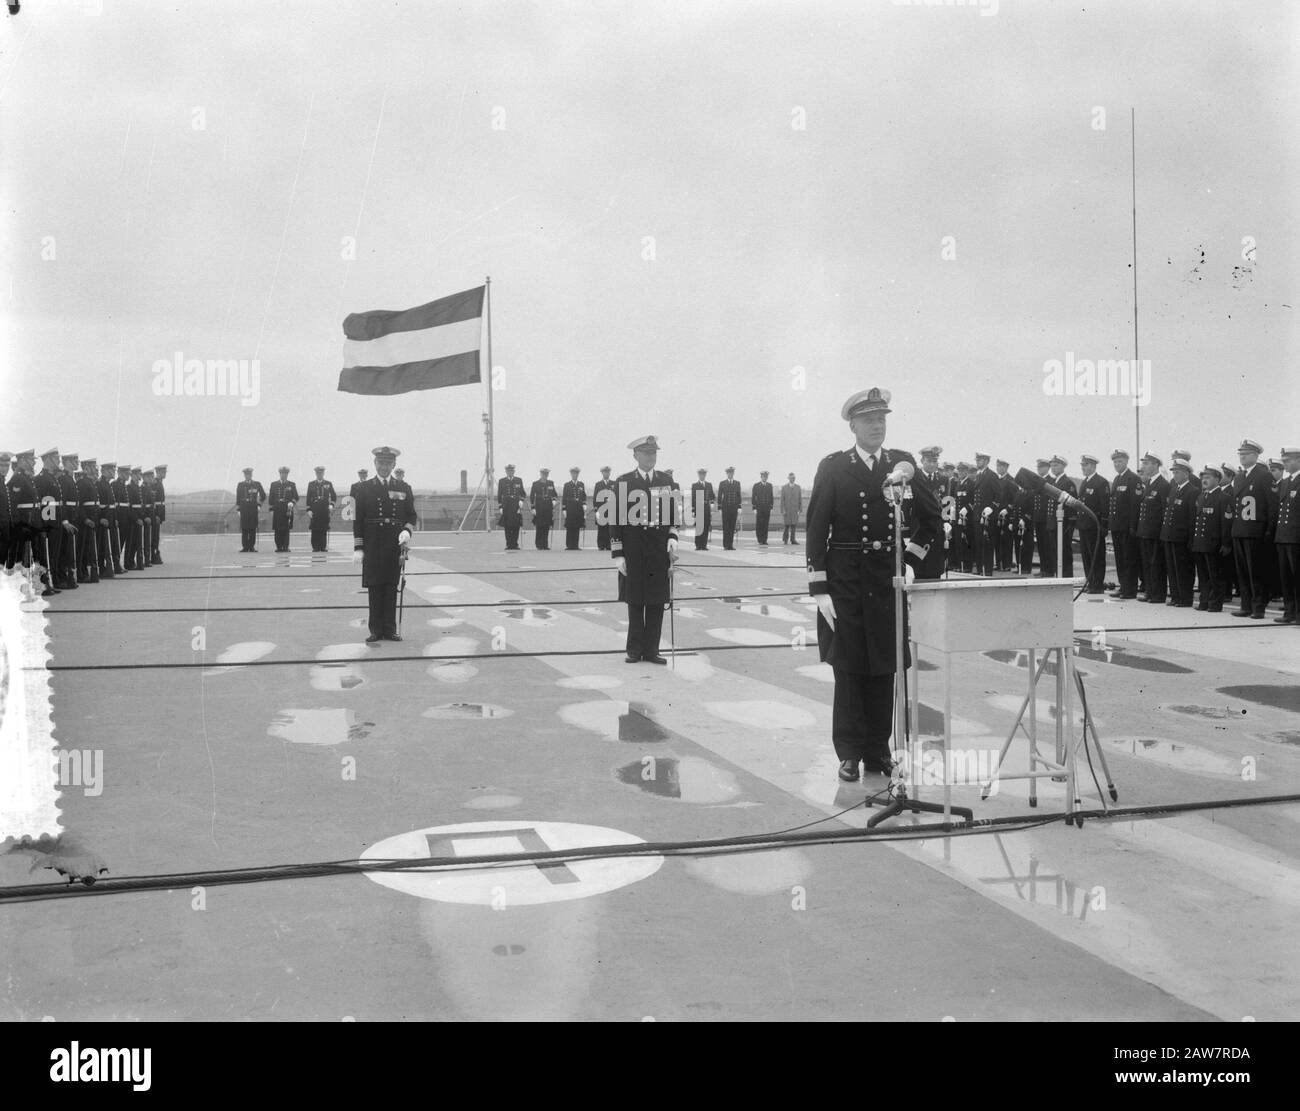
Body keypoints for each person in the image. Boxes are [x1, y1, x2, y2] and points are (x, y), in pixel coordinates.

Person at [807, 387, 940, 782]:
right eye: (869, 420)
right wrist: (819, 588)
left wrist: (913, 560)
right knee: (848, 667)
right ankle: (849, 752)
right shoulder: (833, 466)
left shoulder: (903, 465)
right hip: (845, 578)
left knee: (884, 666)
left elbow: (930, 519)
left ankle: (878, 751)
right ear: (853, 426)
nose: (877, 426)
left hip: (886, 579)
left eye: (882, 419)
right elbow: (817, 528)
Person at [611, 435, 678, 663]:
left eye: (654, 453)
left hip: (658, 553)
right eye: (647, 453)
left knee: (657, 601)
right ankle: (634, 649)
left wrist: (672, 537)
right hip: (634, 552)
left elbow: (673, 517)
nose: (651, 457)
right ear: (635, 456)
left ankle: (651, 651)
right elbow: (616, 521)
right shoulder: (624, 483)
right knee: (636, 601)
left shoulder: (666, 481)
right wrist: (618, 554)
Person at [353, 446, 416, 642]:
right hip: (372, 542)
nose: (384, 467)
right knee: (374, 585)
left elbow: (411, 515)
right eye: (381, 463)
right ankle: (375, 629)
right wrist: (358, 547)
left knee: (391, 585)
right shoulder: (361, 488)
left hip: (394, 543)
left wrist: (407, 530)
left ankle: (390, 629)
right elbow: (357, 519)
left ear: (394, 465)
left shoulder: (404, 487)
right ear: (375, 464)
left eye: (388, 463)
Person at [1230, 438, 1274, 619]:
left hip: (1255, 530)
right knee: (1242, 570)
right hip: (1240, 529)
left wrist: (1269, 530)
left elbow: (1271, 505)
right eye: (1240, 454)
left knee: (1256, 570)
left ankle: (1258, 607)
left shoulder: (1264, 475)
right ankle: (1246, 605)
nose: (1242, 457)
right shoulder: (1239, 477)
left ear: (1256, 456)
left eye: (1246, 454)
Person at [1161, 458, 1197, 606]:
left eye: (1178, 472)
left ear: (1186, 473)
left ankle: (1185, 598)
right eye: (1174, 472)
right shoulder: (1174, 489)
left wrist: (1190, 539)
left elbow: (1191, 518)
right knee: (1172, 568)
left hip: (1182, 536)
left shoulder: (1192, 491)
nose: (1175, 475)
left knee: (1183, 569)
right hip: (1170, 535)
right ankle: (1176, 596)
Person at [1191, 465, 1228, 612]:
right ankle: (1204, 601)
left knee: (1215, 576)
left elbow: (1225, 522)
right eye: (1203, 477)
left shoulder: (1223, 498)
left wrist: (1225, 543)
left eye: (1208, 477)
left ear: (1217, 479)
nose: (1204, 480)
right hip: (1200, 542)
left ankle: (1215, 603)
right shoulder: (1201, 497)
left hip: (1213, 543)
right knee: (1203, 576)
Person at [1106, 450, 1141, 599]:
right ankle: (1123, 586)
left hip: (1127, 527)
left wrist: (1133, 526)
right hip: (1117, 526)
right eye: (1115, 462)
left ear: (1126, 461)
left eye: (1119, 461)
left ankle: (1130, 589)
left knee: (1129, 559)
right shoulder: (1117, 479)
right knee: (1120, 559)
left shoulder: (1133, 479)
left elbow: (1135, 504)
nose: (1117, 464)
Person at [1135, 452, 1168, 602]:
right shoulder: (1148, 484)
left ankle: (1158, 594)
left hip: (1155, 532)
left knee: (1156, 564)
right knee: (1147, 563)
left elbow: (1164, 510)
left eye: (1147, 463)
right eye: (1144, 463)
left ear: (1156, 465)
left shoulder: (1162, 485)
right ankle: (1150, 591)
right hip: (1145, 531)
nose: (1144, 466)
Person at [1076, 454, 1111, 593]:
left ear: (1092, 466)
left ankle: (1097, 584)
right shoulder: (1085, 482)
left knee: (1096, 556)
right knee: (1086, 556)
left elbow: (1104, 506)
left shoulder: (1100, 482)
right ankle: (1090, 582)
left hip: (1094, 526)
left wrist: (1103, 526)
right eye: (1082, 465)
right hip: (1084, 526)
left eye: (1085, 465)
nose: (1083, 468)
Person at [1274, 447, 1299, 624]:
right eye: (1283, 461)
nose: (1285, 464)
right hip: (1283, 536)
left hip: (1296, 536)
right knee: (1286, 577)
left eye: (1288, 460)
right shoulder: (1284, 482)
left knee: (1297, 576)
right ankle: (1289, 612)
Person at [969, 451, 1001, 577]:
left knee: (987, 543)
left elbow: (999, 495)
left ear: (987, 461)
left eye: (980, 460)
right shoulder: (979, 475)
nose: (978, 462)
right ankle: (980, 567)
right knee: (978, 542)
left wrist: (992, 507)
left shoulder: (991, 475)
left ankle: (987, 569)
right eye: (977, 460)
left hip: (987, 516)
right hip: (978, 515)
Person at [1046, 455, 1078, 577]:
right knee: (1055, 552)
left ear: (1063, 466)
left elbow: (1072, 507)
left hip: (1063, 524)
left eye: (1056, 465)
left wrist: (1070, 525)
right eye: (1052, 466)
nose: (1053, 468)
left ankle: (1066, 576)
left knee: (1064, 552)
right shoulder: (1054, 482)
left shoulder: (1067, 483)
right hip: (1054, 523)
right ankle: (1058, 576)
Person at [304, 466, 336, 552]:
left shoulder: (328, 484)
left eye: (321, 473)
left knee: (323, 528)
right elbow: (308, 498)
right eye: (318, 473)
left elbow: (334, 496)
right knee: (315, 528)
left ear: (323, 473)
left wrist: (331, 505)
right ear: (316, 473)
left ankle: (323, 546)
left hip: (324, 509)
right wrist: (309, 510)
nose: (319, 474)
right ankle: (315, 547)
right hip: (314, 509)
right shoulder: (311, 484)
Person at [235, 467, 265, 553]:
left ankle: (251, 547)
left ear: (251, 475)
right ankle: (245, 547)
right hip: (244, 508)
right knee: (244, 528)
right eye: (246, 474)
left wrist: (259, 505)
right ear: (244, 475)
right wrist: (238, 509)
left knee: (252, 528)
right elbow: (238, 498)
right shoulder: (240, 485)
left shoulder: (257, 484)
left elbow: (263, 496)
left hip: (253, 508)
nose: (247, 476)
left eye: (249, 474)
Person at [269, 467, 299, 553]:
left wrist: (292, 503)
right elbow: (271, 498)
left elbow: (296, 496)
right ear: (280, 474)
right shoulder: (274, 484)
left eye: (285, 474)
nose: (283, 475)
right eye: (282, 473)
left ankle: (285, 547)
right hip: (277, 509)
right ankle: (278, 547)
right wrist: (271, 509)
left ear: (287, 474)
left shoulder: (291, 484)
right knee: (277, 529)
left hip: (287, 509)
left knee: (286, 529)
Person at [497, 464, 526, 550]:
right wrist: (500, 507)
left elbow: (523, 493)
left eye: (511, 471)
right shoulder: (502, 481)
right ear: (506, 471)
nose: (510, 472)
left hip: (516, 505)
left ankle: (515, 544)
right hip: (506, 505)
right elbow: (499, 495)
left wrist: (521, 500)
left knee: (516, 525)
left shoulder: (518, 480)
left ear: (514, 471)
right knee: (507, 526)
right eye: (508, 471)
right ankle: (509, 544)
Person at [530, 468, 557, 549]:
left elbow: (554, 494)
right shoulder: (535, 484)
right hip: (539, 507)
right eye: (543, 474)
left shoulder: (551, 483)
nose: (545, 475)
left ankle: (545, 544)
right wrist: (533, 507)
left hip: (548, 507)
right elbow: (532, 496)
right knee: (539, 526)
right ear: (541, 474)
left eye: (546, 474)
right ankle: (539, 544)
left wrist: (554, 501)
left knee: (546, 526)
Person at [562, 467, 587, 550]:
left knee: (577, 527)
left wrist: (584, 504)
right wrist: (564, 509)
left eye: (576, 474)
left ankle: (575, 545)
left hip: (579, 509)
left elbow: (583, 496)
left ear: (578, 474)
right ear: (571, 474)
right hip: (570, 508)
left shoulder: (581, 484)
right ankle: (569, 545)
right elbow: (564, 498)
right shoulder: (567, 485)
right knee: (570, 527)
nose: (575, 475)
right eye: (573, 473)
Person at [718, 467, 742, 550]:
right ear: (727, 474)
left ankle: (730, 545)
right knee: (726, 527)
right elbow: (719, 496)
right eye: (729, 473)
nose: (730, 474)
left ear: (733, 474)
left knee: (732, 527)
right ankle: (725, 545)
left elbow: (739, 496)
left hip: (734, 508)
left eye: (731, 473)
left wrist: (739, 507)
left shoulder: (737, 483)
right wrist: (719, 508)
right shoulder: (722, 483)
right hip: (725, 508)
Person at [691, 469, 715, 550]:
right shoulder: (695, 485)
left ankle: (704, 545)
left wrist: (711, 503)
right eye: (701, 475)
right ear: (699, 475)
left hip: (707, 508)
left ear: (705, 475)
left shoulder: (709, 485)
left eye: (703, 475)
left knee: (706, 526)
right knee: (699, 527)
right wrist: (693, 510)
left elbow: (712, 496)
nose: (702, 476)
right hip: (699, 507)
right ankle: (698, 545)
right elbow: (693, 498)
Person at [593, 466, 616, 550]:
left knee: (610, 528)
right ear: (602, 473)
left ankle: (609, 545)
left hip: (611, 509)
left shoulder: (614, 483)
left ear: (610, 473)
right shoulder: (598, 484)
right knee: (601, 528)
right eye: (605, 472)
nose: (606, 473)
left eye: (608, 472)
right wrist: (596, 511)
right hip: (601, 509)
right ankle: (601, 545)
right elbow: (595, 497)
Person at [751, 470, 774, 545]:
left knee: (765, 524)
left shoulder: (769, 485)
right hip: (759, 508)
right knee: (759, 524)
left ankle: (765, 539)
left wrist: (771, 507)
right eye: (764, 476)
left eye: (766, 476)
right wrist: (754, 508)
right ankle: (760, 539)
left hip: (767, 508)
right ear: (761, 477)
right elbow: (753, 497)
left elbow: (771, 497)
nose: (765, 478)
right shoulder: (756, 485)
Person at [780, 472, 802, 545]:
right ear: (788, 478)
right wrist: (782, 510)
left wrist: (800, 509)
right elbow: (782, 500)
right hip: (787, 510)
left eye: (794, 478)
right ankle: (785, 539)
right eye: (791, 478)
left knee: (794, 525)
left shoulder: (798, 487)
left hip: (795, 510)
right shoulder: (784, 487)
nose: (793, 479)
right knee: (786, 525)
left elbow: (800, 499)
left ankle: (793, 540)